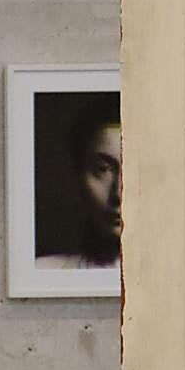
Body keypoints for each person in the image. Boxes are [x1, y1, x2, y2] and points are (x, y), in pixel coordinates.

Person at [36, 97, 122, 269]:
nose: (118, 194)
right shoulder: (43, 271)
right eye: (102, 169)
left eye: (136, 170)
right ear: (77, 175)